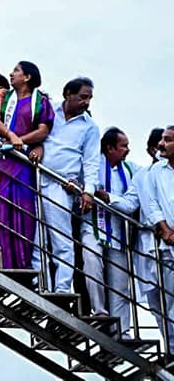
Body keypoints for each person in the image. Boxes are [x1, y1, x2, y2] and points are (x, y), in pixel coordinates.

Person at [31, 77, 100, 294]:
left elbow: (91, 162)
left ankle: (61, 288)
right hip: (34, 176)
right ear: (68, 94)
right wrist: (38, 145)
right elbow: (35, 130)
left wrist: (88, 191)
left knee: (61, 239)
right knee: (35, 236)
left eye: (89, 98)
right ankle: (40, 283)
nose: (87, 102)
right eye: (83, 97)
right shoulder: (49, 111)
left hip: (61, 185)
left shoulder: (90, 127)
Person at [100, 138, 170, 345]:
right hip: (148, 247)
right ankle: (171, 347)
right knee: (156, 302)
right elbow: (130, 204)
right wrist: (107, 198)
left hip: (169, 244)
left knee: (172, 302)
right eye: (160, 144)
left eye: (168, 141)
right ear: (151, 150)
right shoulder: (144, 176)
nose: (162, 148)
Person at [0, 61, 54, 270]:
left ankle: (23, 263)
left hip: (23, 161)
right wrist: (11, 136)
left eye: (16, 71)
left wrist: (21, 141)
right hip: (1, 159)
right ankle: (4, 261)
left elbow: (43, 130)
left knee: (23, 211)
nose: (11, 74)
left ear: (27, 77)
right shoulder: (4, 96)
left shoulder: (41, 101)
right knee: (0, 207)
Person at [82, 128, 134, 334]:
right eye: (124, 146)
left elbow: (131, 201)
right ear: (109, 148)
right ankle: (100, 310)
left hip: (118, 232)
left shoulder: (130, 171)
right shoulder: (93, 164)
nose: (128, 150)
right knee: (92, 262)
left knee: (121, 283)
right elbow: (81, 183)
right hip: (92, 226)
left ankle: (123, 331)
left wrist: (109, 198)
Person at [137, 126, 174, 351]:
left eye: (168, 140)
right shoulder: (155, 171)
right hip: (167, 245)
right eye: (162, 139)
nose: (161, 144)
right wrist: (164, 228)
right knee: (168, 304)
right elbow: (151, 204)